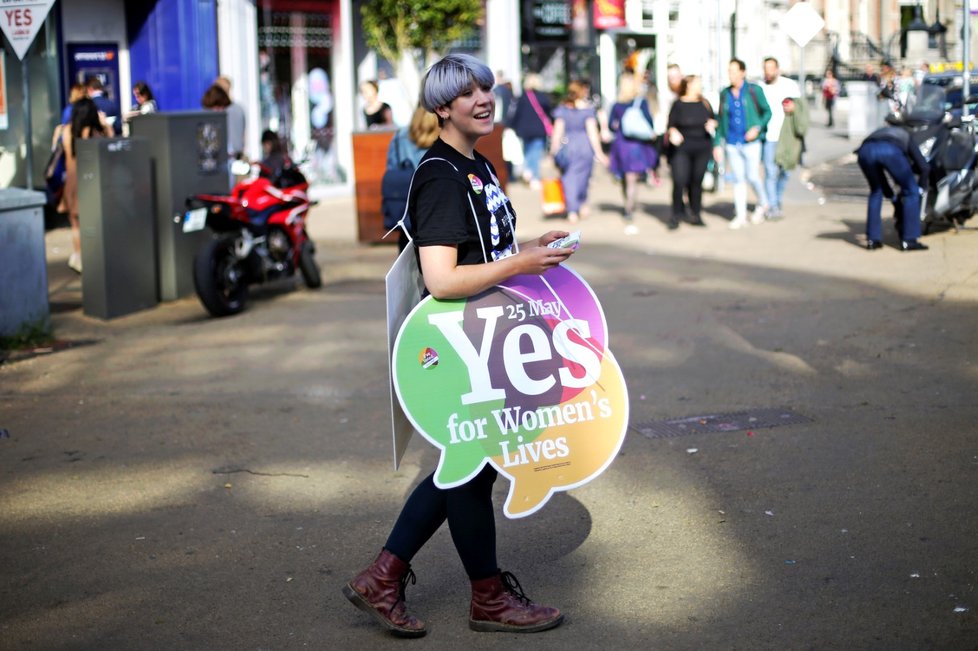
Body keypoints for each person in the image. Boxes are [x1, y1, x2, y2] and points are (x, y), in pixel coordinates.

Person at [342, 53, 573, 638]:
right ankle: (478, 596)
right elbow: (443, 278)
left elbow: (482, 250)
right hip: (456, 342)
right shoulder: (442, 175)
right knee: (469, 466)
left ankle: (389, 577)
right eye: (469, 93)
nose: (484, 99)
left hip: (485, 337)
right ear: (442, 107)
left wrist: (527, 245)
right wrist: (521, 262)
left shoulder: (477, 166)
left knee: (470, 465)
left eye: (487, 88)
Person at [714, 58, 771, 229]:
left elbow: (767, 112)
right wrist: (717, 143)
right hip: (732, 141)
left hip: (751, 142)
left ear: (742, 72)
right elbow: (720, 118)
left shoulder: (754, 90)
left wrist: (757, 128)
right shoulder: (725, 94)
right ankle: (740, 216)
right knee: (738, 179)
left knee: (753, 176)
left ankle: (763, 203)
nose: (730, 74)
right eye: (729, 71)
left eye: (733, 70)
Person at [856, 125, 930, 251]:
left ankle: (872, 240)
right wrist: (921, 189)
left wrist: (892, 197)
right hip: (889, 150)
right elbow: (924, 167)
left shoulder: (882, 131)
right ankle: (909, 239)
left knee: (876, 191)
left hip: (864, 151)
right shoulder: (907, 136)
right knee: (911, 191)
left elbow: (883, 182)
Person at [61, 98, 111, 273]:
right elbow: (111, 149)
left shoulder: (67, 131)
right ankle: (93, 258)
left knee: (75, 224)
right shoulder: (95, 133)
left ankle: (78, 256)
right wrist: (107, 126)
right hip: (90, 182)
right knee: (94, 224)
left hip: (71, 184)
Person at [550, 80, 609, 223]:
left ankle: (572, 210)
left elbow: (557, 132)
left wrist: (553, 150)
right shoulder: (587, 110)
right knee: (584, 177)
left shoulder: (563, 109)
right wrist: (599, 153)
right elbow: (592, 133)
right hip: (585, 147)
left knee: (569, 178)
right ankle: (582, 205)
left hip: (568, 146)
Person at [383, 106, 441, 250]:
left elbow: (392, 169)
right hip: (439, 213)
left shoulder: (399, 136)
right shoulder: (447, 135)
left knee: (408, 265)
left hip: (407, 215)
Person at [607, 73, 658, 234]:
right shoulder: (641, 102)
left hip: (621, 144)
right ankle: (629, 208)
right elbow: (649, 122)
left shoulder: (617, 105)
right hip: (636, 145)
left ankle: (627, 206)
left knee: (625, 178)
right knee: (632, 180)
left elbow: (610, 125)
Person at [666, 75, 716, 229]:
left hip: (702, 146)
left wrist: (713, 124)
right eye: (697, 84)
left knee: (696, 181)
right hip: (682, 147)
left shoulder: (704, 103)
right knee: (680, 180)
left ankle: (696, 213)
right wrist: (673, 131)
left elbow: (714, 120)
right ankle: (676, 214)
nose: (700, 86)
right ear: (688, 86)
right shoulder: (678, 104)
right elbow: (670, 125)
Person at [760, 57, 803, 220]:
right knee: (770, 172)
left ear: (777, 69)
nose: (768, 72)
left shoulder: (789, 86)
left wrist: (793, 107)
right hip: (769, 136)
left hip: (787, 137)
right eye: (766, 68)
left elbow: (799, 106)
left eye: (771, 68)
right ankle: (773, 206)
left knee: (785, 172)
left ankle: (777, 199)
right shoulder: (760, 87)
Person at [508, 73, 552, 189]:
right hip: (538, 129)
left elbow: (516, 113)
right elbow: (549, 112)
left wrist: (511, 125)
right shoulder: (543, 97)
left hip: (524, 129)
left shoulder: (522, 97)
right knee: (536, 153)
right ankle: (534, 177)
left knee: (527, 151)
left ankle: (528, 170)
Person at [215, 76, 247, 160]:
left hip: (235, 157)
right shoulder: (215, 111)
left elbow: (243, 134)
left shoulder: (238, 110)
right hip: (222, 158)